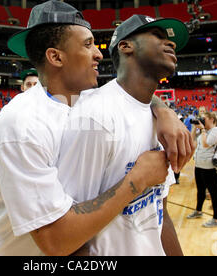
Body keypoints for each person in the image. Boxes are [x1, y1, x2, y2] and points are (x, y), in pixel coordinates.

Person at [0, 0, 193, 256]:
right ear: (55, 57)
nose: (99, 54)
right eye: (88, 44)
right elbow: (57, 241)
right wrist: (138, 179)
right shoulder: (21, 128)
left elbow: (132, 97)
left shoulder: (84, 101)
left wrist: (164, 112)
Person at [56, 14, 191, 255]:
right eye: (158, 36)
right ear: (126, 46)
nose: (170, 43)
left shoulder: (158, 118)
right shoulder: (95, 117)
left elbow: (160, 212)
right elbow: (68, 235)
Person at [186, 111, 217, 228]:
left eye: (204, 119)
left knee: (214, 193)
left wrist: (202, 130)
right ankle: (198, 211)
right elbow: (192, 142)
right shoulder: (204, 132)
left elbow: (206, 144)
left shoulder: (215, 131)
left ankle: (216, 219)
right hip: (199, 165)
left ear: (212, 119)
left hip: (210, 167)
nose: (202, 121)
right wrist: (194, 128)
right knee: (200, 190)